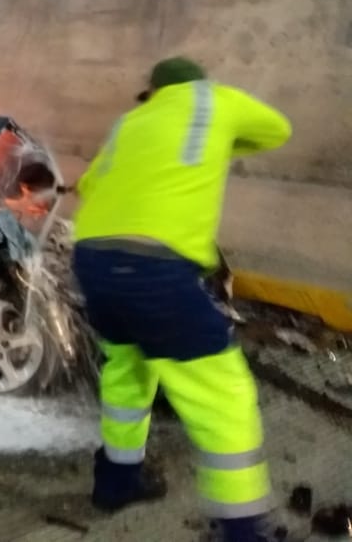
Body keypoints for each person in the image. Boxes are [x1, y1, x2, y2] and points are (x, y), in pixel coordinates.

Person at [71, 57, 292, 542]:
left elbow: (88, 185)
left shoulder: (129, 121)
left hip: (93, 263)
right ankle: (242, 532)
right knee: (223, 398)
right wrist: (229, 141)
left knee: (126, 375)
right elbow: (278, 130)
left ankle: (116, 482)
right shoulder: (218, 100)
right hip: (157, 270)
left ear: (152, 90)